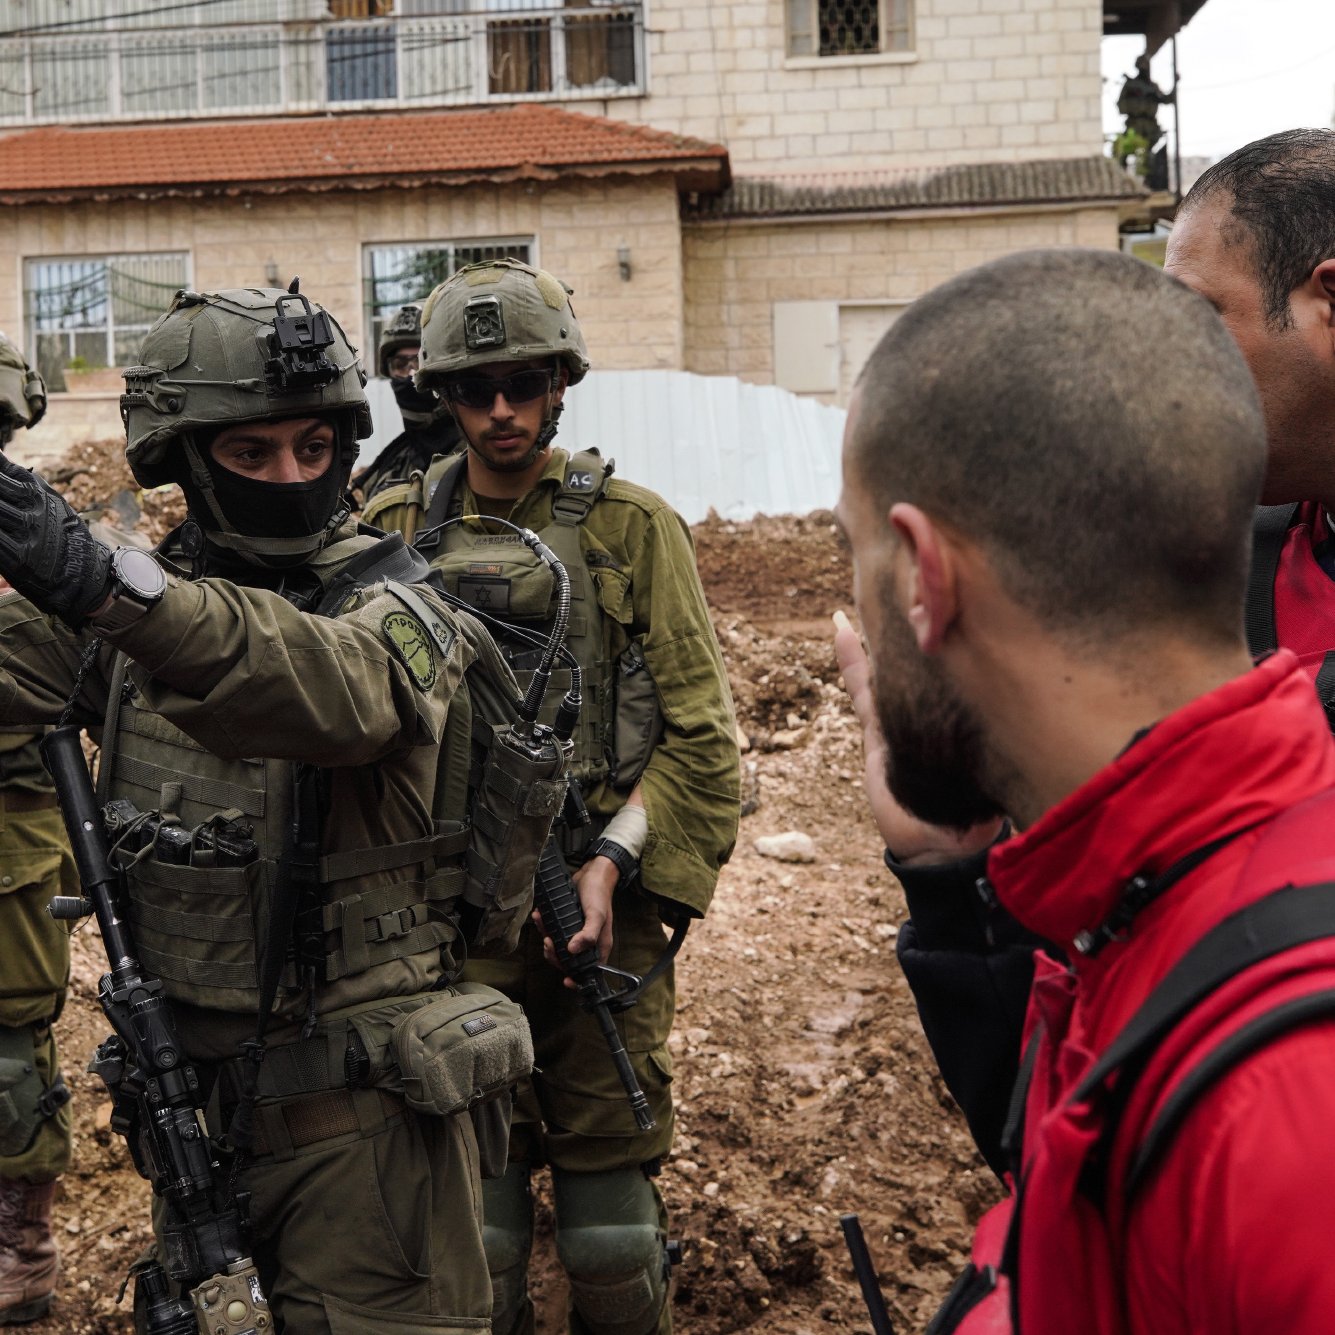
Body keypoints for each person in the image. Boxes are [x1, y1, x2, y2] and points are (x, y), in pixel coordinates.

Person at [0, 283, 537, 1333]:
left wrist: (100, 581)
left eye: (312, 447)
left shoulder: (410, 599)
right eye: (252, 456)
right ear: (187, 462)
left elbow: (333, 690)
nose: (292, 478)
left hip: (372, 1143)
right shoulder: (138, 607)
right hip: (193, 1122)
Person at [836, 247, 1335, 1331]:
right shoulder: (1142, 894)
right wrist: (948, 871)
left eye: (856, 555)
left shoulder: (1290, 1101)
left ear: (923, 578)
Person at [364, 258, 740, 1335]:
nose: (498, 413)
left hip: (592, 915)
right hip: (444, 922)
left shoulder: (630, 527)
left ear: (562, 384)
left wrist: (611, 862)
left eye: (522, 385)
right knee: (472, 1233)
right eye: (472, 390)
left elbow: (703, 741)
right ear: (438, 397)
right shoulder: (388, 530)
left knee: (609, 1232)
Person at [0, 335, 77, 1327]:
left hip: (11, 831)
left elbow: (58, 673)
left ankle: (21, 1242)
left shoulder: (40, 543)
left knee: (11, 1054)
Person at [353, 303, 462, 506]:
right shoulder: (385, 471)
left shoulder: (482, 459)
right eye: (401, 365)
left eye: (420, 361)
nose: (411, 374)